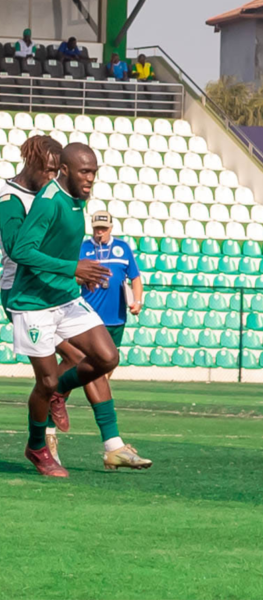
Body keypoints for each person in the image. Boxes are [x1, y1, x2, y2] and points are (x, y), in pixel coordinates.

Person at [7, 142, 152, 477]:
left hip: (65, 297)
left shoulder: (78, 198)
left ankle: (60, 390)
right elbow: (21, 251)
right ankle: (37, 446)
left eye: (94, 173)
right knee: (44, 381)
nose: (90, 179)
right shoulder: (49, 202)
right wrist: (72, 268)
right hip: (33, 304)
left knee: (107, 357)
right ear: (65, 170)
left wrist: (75, 274)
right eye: (84, 172)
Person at [80, 211, 143, 374]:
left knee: (111, 359)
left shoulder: (123, 247)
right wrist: (83, 278)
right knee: (90, 358)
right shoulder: (83, 247)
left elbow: (135, 277)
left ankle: (104, 387)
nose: (100, 232)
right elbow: (72, 277)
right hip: (90, 315)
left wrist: (137, 301)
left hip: (116, 315)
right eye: (97, 228)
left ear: (111, 228)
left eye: (104, 228)